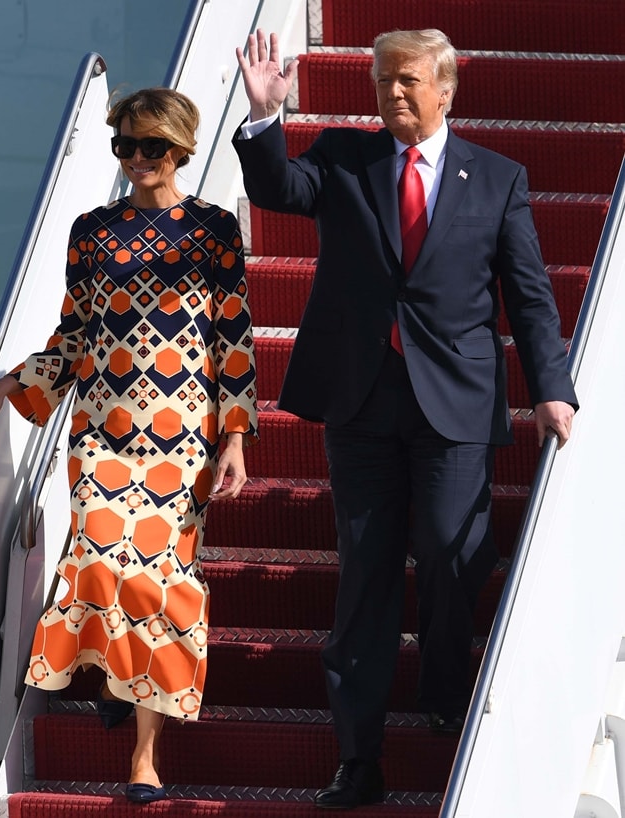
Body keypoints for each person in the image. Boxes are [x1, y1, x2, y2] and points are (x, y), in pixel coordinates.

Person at [234, 28, 577, 810]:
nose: (392, 94)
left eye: (409, 81)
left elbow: (528, 295)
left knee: (455, 562)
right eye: (382, 81)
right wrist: (262, 121)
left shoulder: (497, 178)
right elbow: (278, 193)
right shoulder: (342, 157)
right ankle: (359, 759)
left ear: (447, 88)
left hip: (454, 403)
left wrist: (551, 387)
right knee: (366, 577)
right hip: (361, 400)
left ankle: (448, 699)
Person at [0, 87, 258, 804]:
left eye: (151, 146)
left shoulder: (213, 230)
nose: (137, 160)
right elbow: (73, 335)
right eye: (124, 146)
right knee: (94, 561)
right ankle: (122, 675)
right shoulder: (92, 231)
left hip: (182, 439)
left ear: (181, 147)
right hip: (101, 433)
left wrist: (235, 437)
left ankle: (145, 756)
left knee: (156, 582)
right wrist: (3, 387)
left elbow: (233, 338)